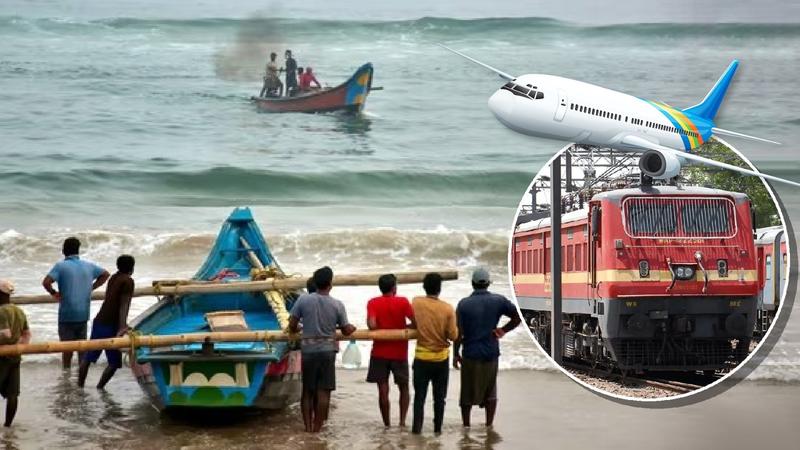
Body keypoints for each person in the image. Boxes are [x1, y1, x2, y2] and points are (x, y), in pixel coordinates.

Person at [288, 266, 355, 433]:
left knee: (307, 392)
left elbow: (292, 324)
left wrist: (297, 329)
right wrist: (352, 328)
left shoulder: (303, 300)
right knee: (323, 391)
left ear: (315, 283)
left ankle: (308, 428)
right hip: (327, 351)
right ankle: (317, 430)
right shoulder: (337, 304)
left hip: (309, 350)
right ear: (330, 284)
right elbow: (346, 330)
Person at [453, 268, 521, 428]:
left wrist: (455, 354)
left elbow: (458, 332)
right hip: (491, 352)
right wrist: (504, 330)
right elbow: (518, 315)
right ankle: (489, 425)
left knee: (467, 393)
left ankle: (466, 426)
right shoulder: (498, 301)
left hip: (470, 353)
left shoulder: (463, 304)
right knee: (491, 390)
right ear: (488, 284)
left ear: (472, 284)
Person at [42, 237, 110, 370]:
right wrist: (91, 287)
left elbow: (46, 282)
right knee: (82, 348)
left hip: (67, 314)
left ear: (63, 251)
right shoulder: (89, 266)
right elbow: (106, 274)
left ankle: (66, 376)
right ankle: (81, 378)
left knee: (66, 350)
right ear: (78, 250)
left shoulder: (61, 266)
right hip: (83, 314)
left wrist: (54, 293)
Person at [78, 255, 135, 389]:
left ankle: (80, 387)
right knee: (114, 363)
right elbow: (124, 304)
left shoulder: (114, 277)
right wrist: (122, 327)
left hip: (99, 322)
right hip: (111, 325)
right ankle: (99, 388)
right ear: (132, 267)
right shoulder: (128, 281)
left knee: (88, 358)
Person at [410, 272, 458, 435]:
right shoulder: (447, 308)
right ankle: (437, 430)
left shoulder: (416, 302)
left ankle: (416, 430)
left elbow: (414, 321)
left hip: (421, 357)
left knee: (419, 398)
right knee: (439, 399)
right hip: (440, 359)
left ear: (424, 287)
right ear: (440, 289)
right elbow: (453, 336)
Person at [366, 274, 415, 428]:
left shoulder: (373, 302)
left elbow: (372, 325)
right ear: (394, 287)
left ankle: (387, 424)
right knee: (404, 387)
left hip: (379, 352)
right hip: (399, 352)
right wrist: (403, 328)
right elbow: (415, 322)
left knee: (382, 389)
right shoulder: (403, 301)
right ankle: (402, 422)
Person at [0, 279, 31, 427]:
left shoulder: (1, 311)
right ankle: (8, 426)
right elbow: (27, 334)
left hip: (2, 357)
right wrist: (18, 348)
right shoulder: (18, 310)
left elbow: (5, 334)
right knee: (12, 394)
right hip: (15, 356)